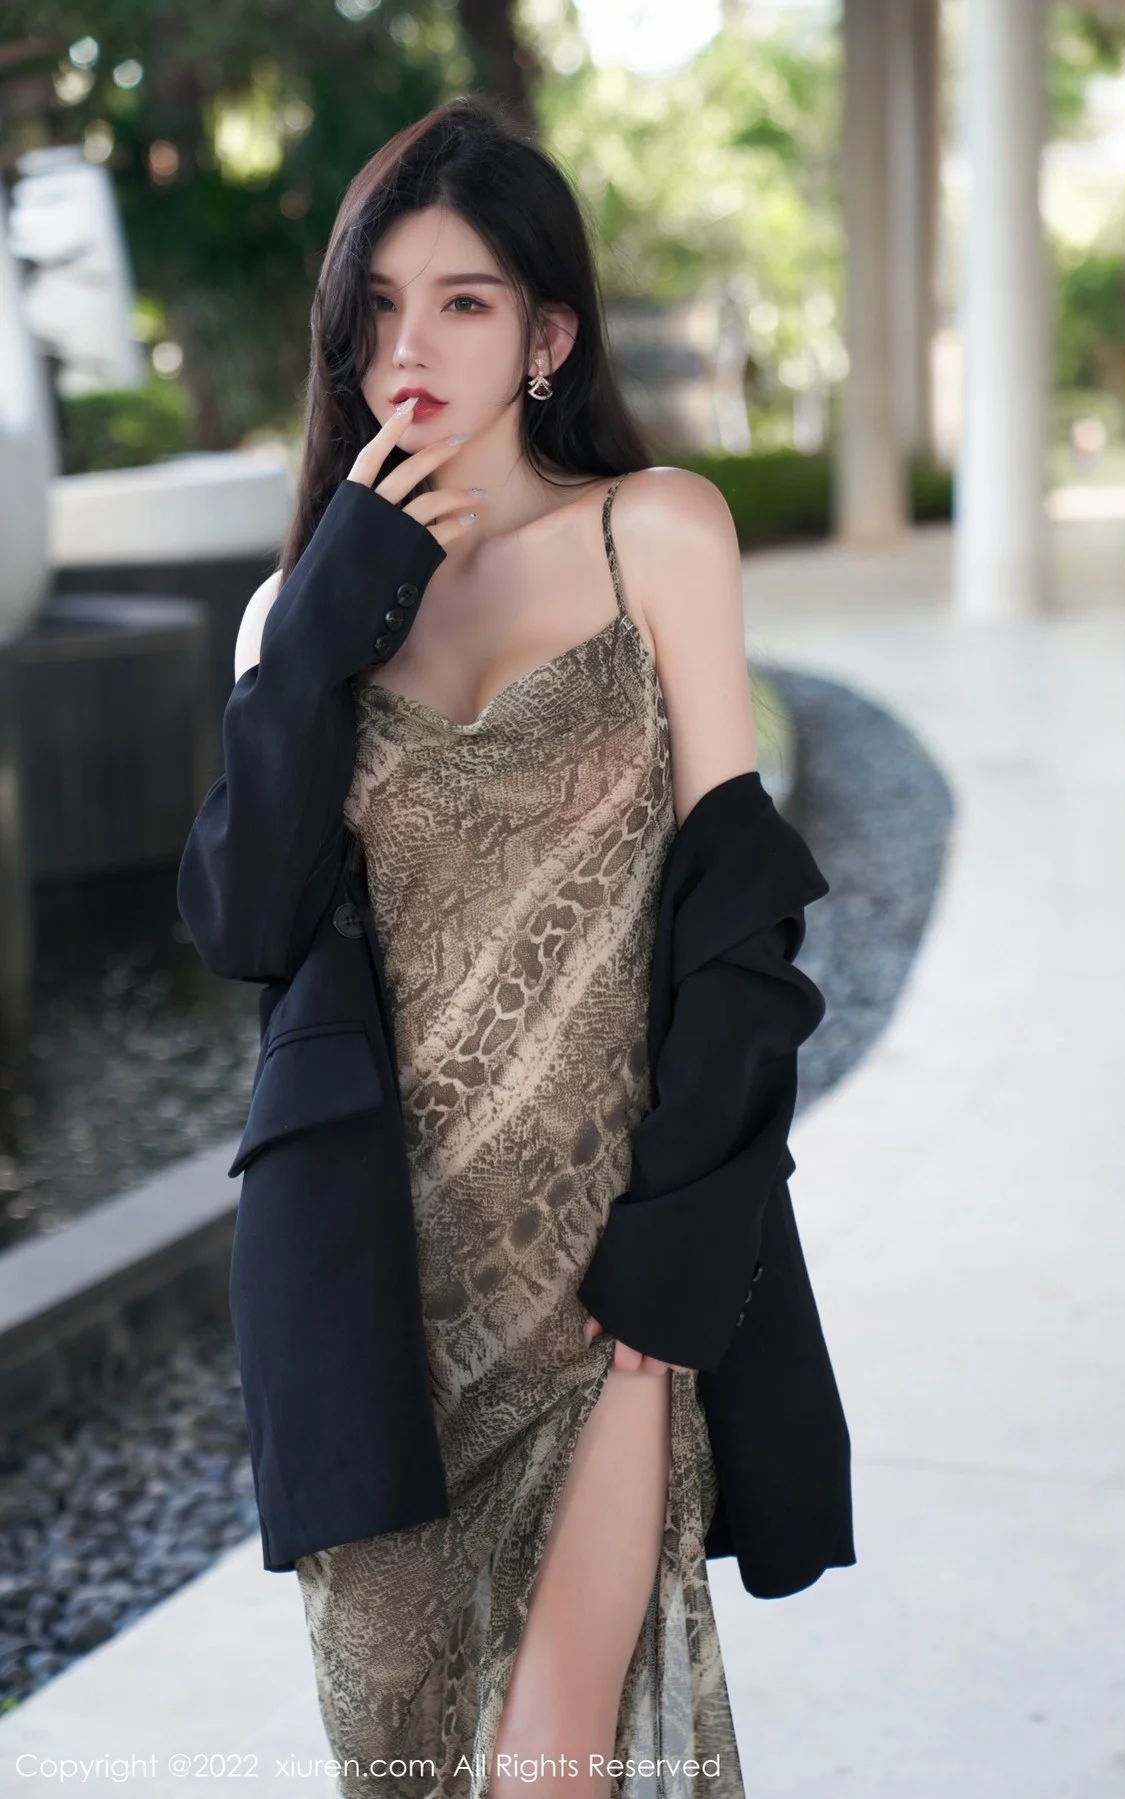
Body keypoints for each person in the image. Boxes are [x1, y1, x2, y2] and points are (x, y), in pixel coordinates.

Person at [209, 93, 844, 1799]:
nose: (407, 347)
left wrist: (676, 1264)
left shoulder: (658, 533)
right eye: (377, 305)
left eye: (463, 301)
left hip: (602, 1291)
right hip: (369, 1303)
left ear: (548, 335)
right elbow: (244, 922)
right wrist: (329, 613)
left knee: (556, 1774)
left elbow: (744, 923)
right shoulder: (297, 615)